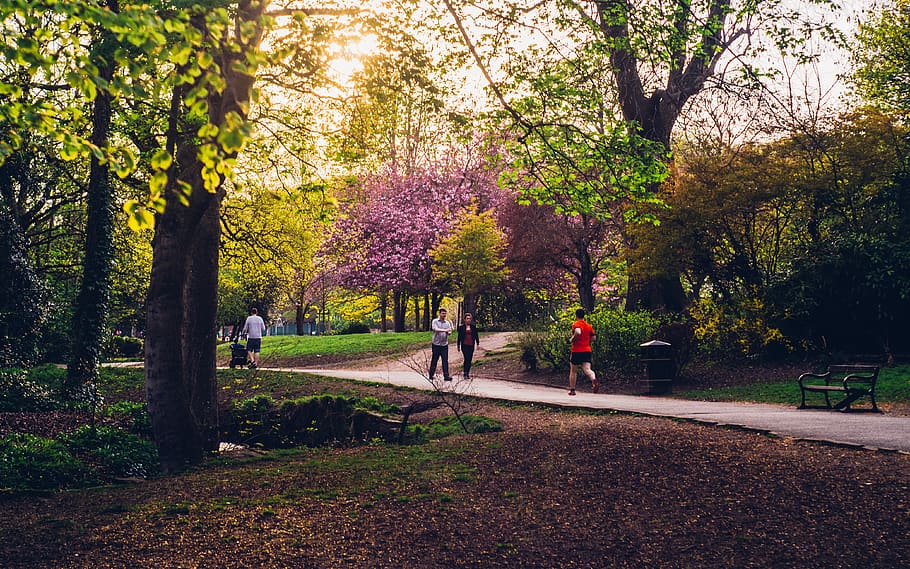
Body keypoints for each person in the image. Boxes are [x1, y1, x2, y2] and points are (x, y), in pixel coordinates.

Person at [568, 308, 598, 395]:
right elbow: (594, 338)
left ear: (576, 315)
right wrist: (587, 341)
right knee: (587, 369)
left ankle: (572, 390)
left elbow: (578, 332)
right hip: (587, 350)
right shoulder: (588, 326)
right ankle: (593, 379)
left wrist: (572, 339)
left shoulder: (576, 324)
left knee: (573, 370)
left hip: (577, 350)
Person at [429, 308, 453, 381]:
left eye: (445, 314)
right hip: (436, 344)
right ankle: (431, 374)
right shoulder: (435, 321)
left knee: (445, 360)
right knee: (434, 359)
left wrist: (449, 333)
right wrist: (445, 330)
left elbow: (449, 331)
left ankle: (446, 376)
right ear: (439, 314)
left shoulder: (447, 323)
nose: (444, 315)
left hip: (444, 344)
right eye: (442, 313)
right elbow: (435, 329)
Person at [456, 312, 480, 380]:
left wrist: (478, 343)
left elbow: (476, 335)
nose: (468, 320)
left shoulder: (473, 327)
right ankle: (465, 373)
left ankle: (467, 372)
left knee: (469, 359)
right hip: (464, 345)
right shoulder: (461, 327)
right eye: (467, 318)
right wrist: (458, 345)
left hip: (471, 344)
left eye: (470, 319)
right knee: (466, 358)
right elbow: (459, 337)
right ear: (464, 319)